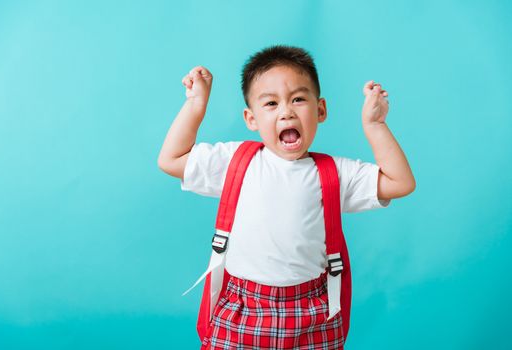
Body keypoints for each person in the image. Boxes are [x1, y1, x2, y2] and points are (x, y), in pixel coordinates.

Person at [158, 45, 415, 349]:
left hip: (312, 312)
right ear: (251, 119)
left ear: (320, 110)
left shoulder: (334, 173)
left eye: (298, 99)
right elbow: (171, 159)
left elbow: (400, 182)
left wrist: (375, 126)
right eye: (270, 103)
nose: (286, 111)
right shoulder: (236, 162)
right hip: (243, 309)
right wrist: (196, 105)